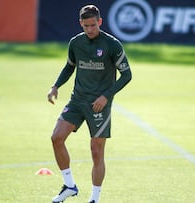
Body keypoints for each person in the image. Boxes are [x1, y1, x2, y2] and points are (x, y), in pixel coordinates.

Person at [47, 4, 132, 203]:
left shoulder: (112, 45)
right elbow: (69, 66)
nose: (90, 30)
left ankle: (94, 198)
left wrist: (106, 96)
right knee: (56, 137)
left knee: (96, 151)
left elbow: (127, 75)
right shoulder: (76, 43)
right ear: (81, 24)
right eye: (86, 26)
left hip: (99, 105)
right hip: (77, 100)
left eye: (93, 25)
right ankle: (69, 185)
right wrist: (55, 86)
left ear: (100, 22)